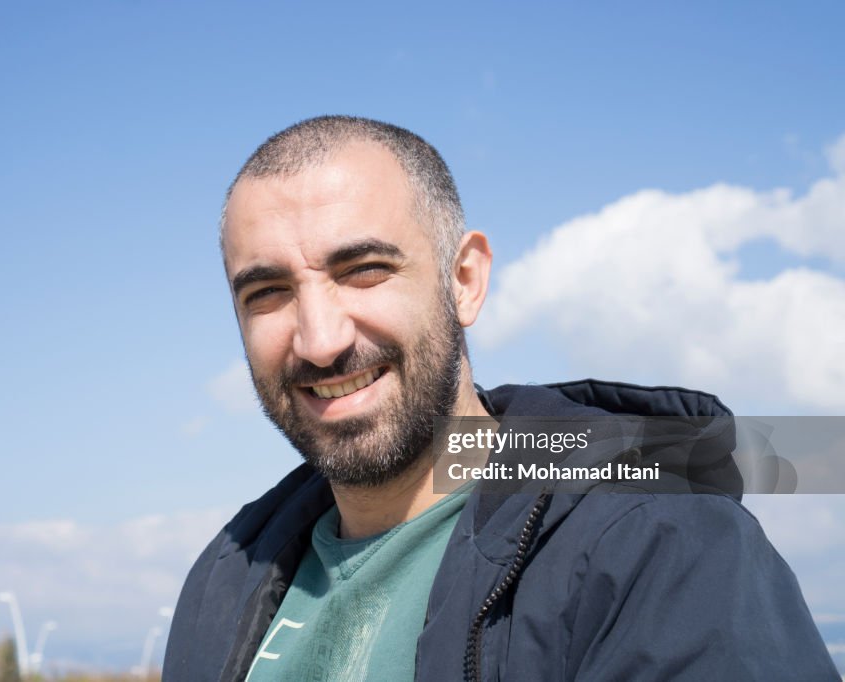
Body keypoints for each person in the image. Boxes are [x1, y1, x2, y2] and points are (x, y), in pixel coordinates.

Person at [163, 116, 837, 681]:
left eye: (363, 270)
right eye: (268, 292)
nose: (318, 340)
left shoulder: (660, 544)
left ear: (465, 280)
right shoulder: (225, 581)